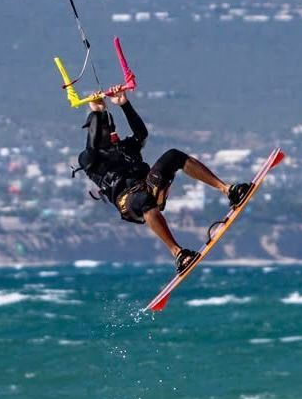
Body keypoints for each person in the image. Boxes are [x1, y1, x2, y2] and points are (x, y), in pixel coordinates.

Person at [77, 91, 250, 272]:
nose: (105, 131)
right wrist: (98, 112)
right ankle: (178, 254)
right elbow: (93, 144)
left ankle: (228, 190)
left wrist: (124, 104)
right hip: (127, 201)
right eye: (100, 128)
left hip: (148, 185)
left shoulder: (125, 148)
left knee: (174, 155)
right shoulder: (88, 158)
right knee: (143, 199)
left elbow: (141, 134)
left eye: (107, 127)